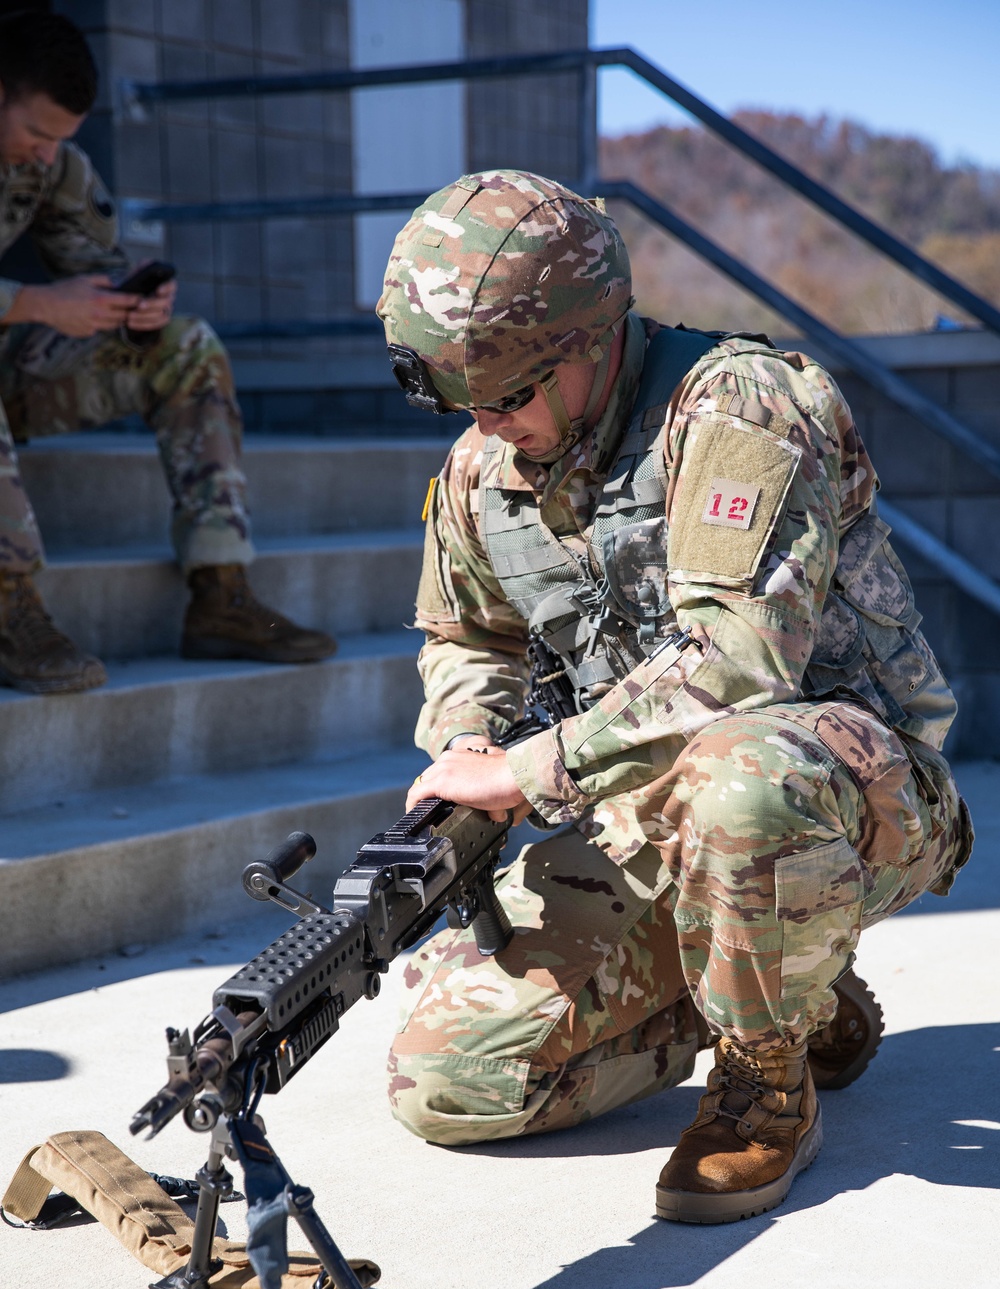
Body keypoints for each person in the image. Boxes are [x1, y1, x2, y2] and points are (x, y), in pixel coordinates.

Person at [375, 169, 973, 1224]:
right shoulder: (484, 466)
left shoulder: (737, 406)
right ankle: (777, 979)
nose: (486, 421)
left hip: (845, 794)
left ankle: (763, 1077)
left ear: (592, 340)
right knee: (450, 1082)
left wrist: (529, 769)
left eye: (509, 392)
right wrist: (467, 739)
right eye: (460, 395)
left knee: (742, 778)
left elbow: (743, 654)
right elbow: (468, 633)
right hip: (644, 815)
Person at [0, 12, 335, 694]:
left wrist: (132, 305)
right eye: (36, 133)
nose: (44, 155)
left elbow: (92, 264)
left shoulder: (52, 164)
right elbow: (43, 302)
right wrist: (34, 304)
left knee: (187, 345)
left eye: (58, 140)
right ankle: (9, 608)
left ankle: (220, 590)